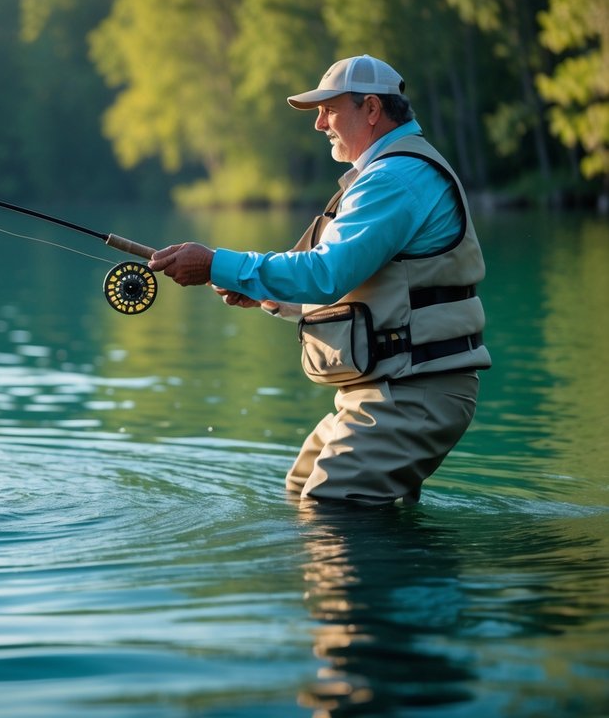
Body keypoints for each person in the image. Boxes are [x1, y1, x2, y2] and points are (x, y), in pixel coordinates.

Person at [148, 54, 491, 506]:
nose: (319, 124)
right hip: (386, 387)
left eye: (329, 109)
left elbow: (327, 273)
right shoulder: (385, 174)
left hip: (415, 390)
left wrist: (216, 264)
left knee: (330, 506)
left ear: (372, 109)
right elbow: (352, 282)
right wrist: (260, 291)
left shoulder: (394, 178)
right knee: (300, 490)